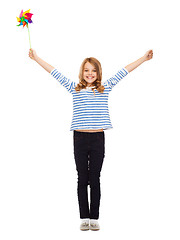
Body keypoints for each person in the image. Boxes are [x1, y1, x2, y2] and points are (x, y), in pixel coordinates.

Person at [29, 49, 153, 231]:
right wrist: (36, 58)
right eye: (86, 70)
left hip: (97, 138)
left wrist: (143, 59)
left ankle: (94, 217)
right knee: (82, 178)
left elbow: (124, 71)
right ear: (82, 72)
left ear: (98, 73)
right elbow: (54, 72)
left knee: (94, 178)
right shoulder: (74, 88)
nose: (90, 73)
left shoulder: (105, 87)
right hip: (79, 138)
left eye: (93, 70)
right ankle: (84, 216)